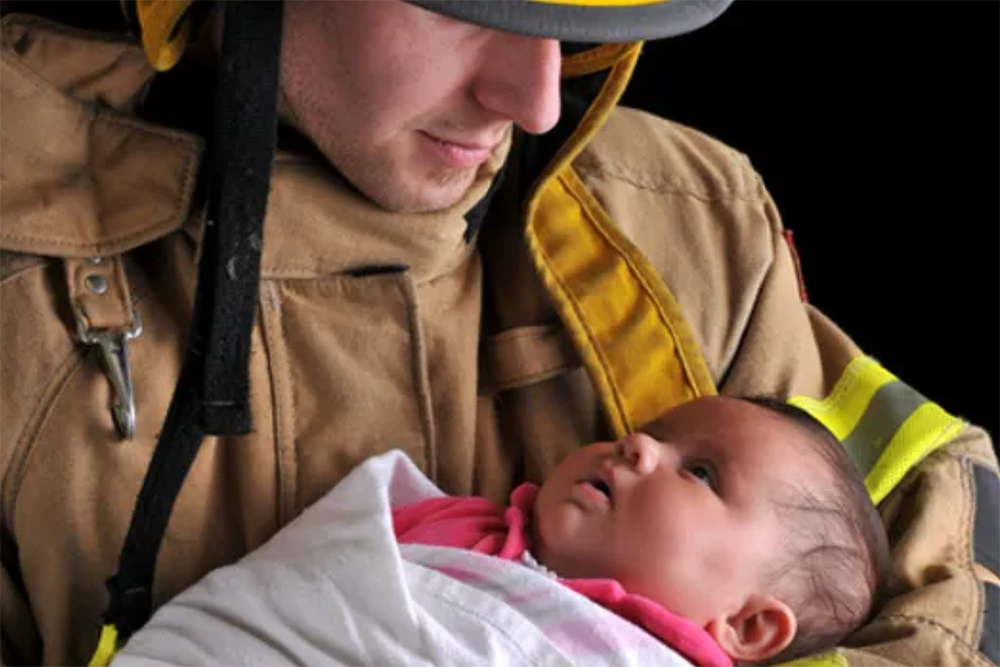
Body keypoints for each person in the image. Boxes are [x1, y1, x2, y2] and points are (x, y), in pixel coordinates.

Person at [0, 1, 995, 667]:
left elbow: (921, 573)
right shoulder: (20, 282)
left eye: (564, 9)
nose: (538, 96)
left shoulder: (681, 224)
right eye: (472, 3)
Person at [108, 395, 890, 667]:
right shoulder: (459, 525)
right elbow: (305, 588)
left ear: (748, 624)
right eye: (650, 428)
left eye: (702, 473)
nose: (638, 445)